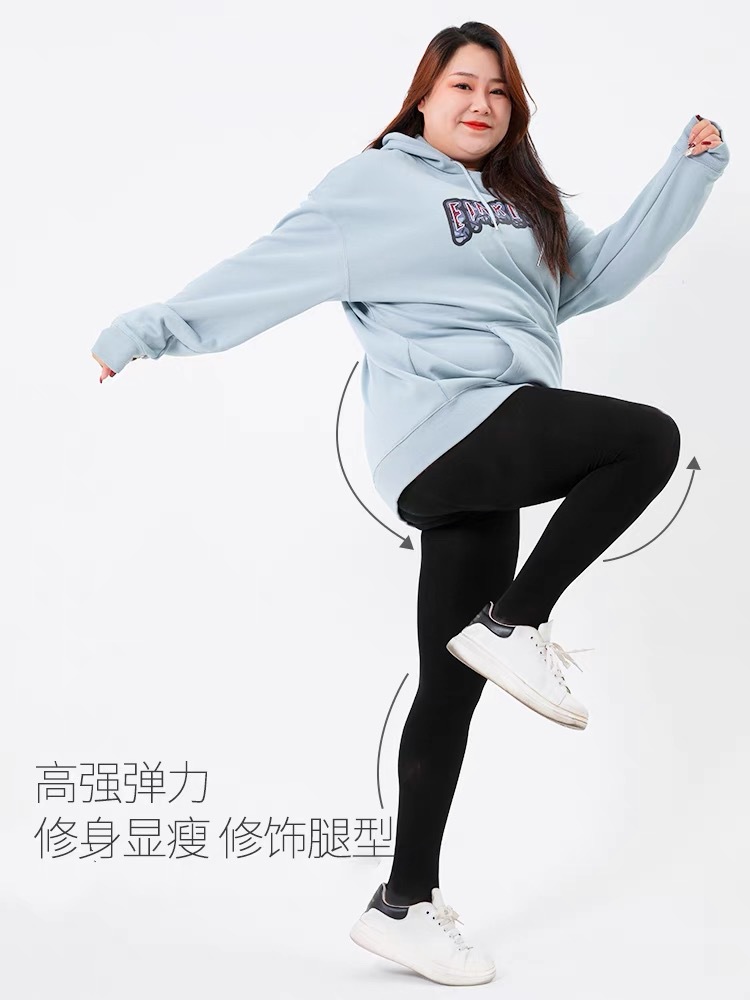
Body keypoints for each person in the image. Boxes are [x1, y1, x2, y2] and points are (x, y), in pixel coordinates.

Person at [91, 20, 729, 989]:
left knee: (449, 684)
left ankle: (404, 902)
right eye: (462, 84)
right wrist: (147, 331)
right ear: (423, 97)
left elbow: (599, 275)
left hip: (487, 449)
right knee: (644, 438)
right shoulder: (374, 187)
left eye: (499, 91)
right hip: (448, 427)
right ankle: (515, 622)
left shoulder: (520, 204)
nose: (481, 103)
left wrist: (688, 169)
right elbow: (268, 268)